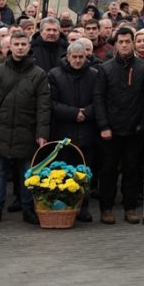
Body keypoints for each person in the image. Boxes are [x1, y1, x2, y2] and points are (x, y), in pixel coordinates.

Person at [0, 31, 50, 225]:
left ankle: (28, 209)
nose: (20, 47)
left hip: (26, 130)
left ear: (29, 47)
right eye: (16, 44)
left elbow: (43, 106)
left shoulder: (39, 74)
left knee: (27, 173)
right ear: (9, 47)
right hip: (0, 130)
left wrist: (42, 133)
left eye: (23, 44)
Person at [94, 27, 144, 225]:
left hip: (134, 128)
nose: (125, 45)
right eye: (121, 42)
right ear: (116, 44)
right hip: (110, 129)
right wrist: (103, 125)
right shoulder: (105, 68)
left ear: (134, 43)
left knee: (132, 170)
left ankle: (130, 207)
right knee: (108, 170)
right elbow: (99, 98)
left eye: (128, 41)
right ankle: (106, 208)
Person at [48, 40, 99, 223]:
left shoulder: (94, 74)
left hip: (87, 132)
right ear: (68, 57)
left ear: (86, 57)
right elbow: (51, 103)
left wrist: (86, 113)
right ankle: (64, 206)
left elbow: (99, 99)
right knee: (63, 171)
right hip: (64, 132)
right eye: (74, 57)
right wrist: (73, 113)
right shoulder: (54, 75)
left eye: (81, 57)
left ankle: (82, 207)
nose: (78, 61)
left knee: (84, 173)